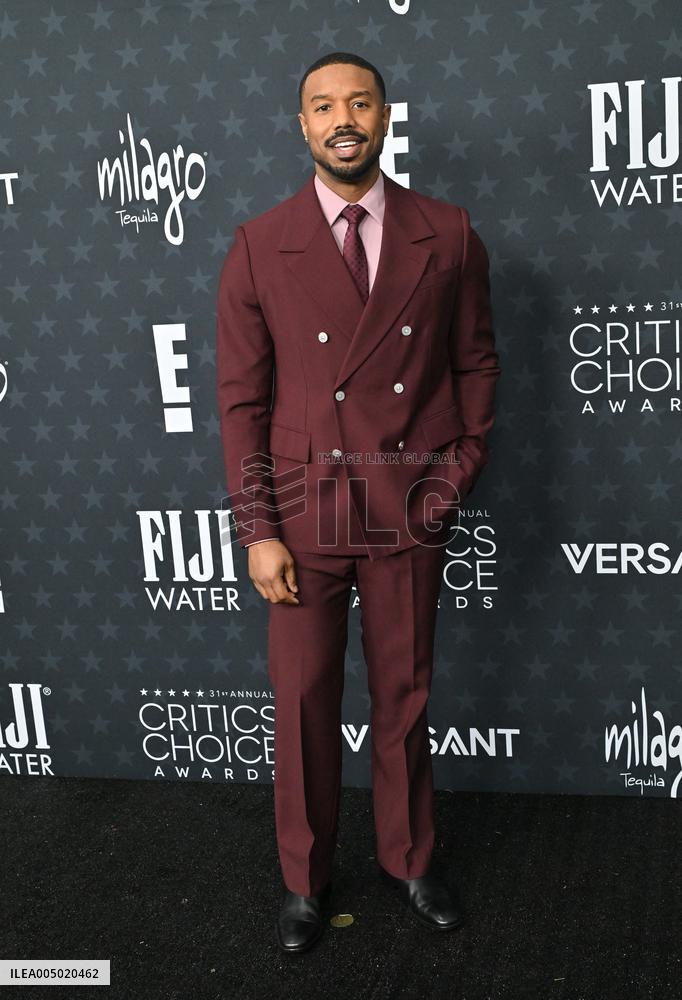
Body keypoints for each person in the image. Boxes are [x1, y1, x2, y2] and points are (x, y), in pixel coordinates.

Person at [216, 51, 500, 953]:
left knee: (404, 697)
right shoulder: (260, 243)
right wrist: (258, 529)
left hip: (405, 506)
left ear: (384, 117)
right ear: (301, 124)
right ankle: (304, 881)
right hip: (303, 514)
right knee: (302, 702)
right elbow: (242, 403)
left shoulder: (447, 232)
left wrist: (450, 482)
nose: (344, 118)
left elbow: (476, 366)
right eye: (324, 106)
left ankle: (409, 859)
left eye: (361, 102)